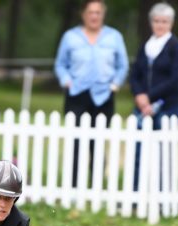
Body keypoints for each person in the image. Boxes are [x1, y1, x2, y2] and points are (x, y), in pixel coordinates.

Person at [54, 0, 128, 185]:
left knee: (98, 141)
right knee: (76, 141)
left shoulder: (114, 37)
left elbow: (123, 65)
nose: (94, 16)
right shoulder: (70, 37)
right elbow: (61, 64)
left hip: (104, 95)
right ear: (83, 14)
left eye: (98, 12)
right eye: (91, 12)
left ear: (103, 14)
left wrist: (115, 84)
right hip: (77, 94)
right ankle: (73, 184)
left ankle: (95, 184)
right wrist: (66, 81)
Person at [129, 3, 178, 129]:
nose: (160, 25)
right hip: (142, 106)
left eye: (164, 22)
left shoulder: (177, 47)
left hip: (168, 105)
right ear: (151, 22)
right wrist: (139, 95)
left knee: (164, 147)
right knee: (138, 147)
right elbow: (134, 74)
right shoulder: (145, 46)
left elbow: (176, 79)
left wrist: (149, 96)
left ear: (171, 23)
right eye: (156, 21)